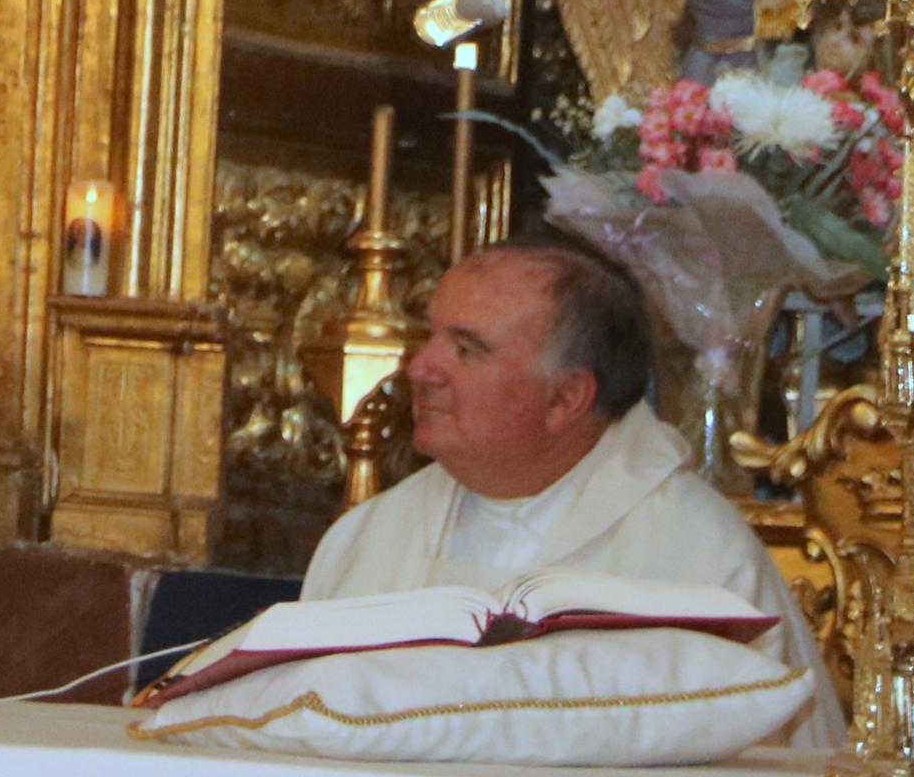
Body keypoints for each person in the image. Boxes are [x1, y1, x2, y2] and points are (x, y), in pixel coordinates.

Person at [304, 238, 833, 747]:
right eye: (430, 335)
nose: (419, 367)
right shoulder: (367, 537)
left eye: (465, 348)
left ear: (565, 398)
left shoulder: (697, 558)